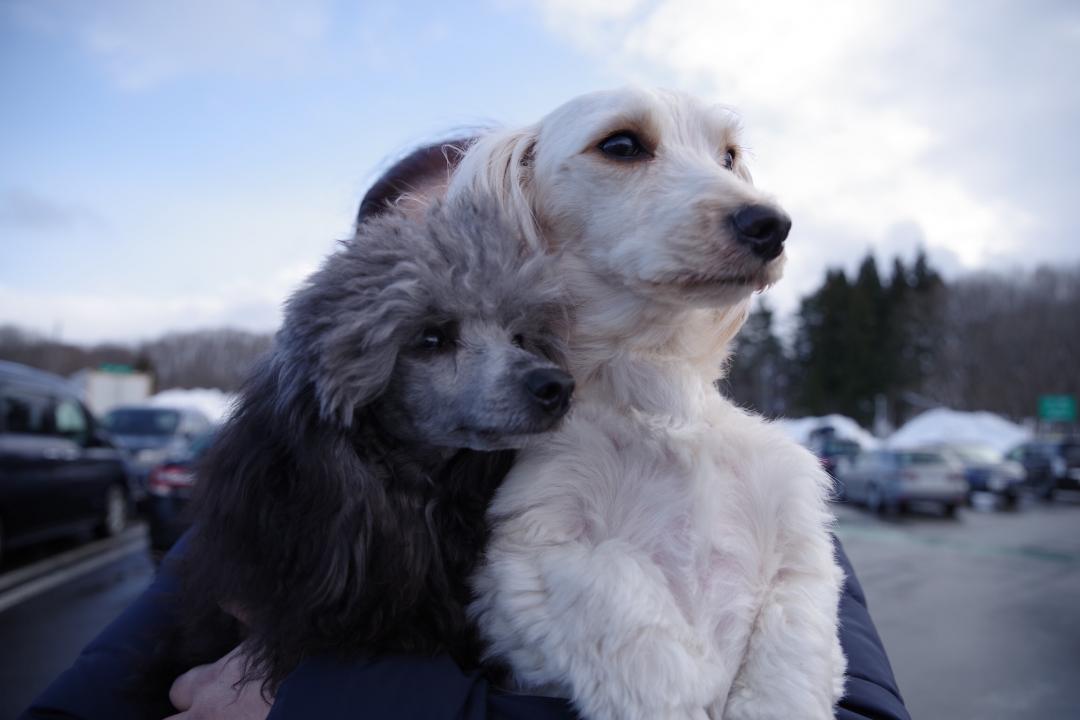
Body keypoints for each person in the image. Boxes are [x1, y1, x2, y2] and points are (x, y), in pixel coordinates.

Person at [21, 140, 911, 720]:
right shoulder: (280, 498)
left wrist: (323, 699)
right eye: (427, 307)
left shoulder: (728, 478)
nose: (463, 274)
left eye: (495, 253)